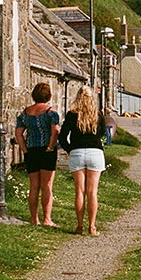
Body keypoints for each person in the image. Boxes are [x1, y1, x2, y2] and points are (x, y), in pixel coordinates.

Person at [59, 86, 107, 236]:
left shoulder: (72, 115)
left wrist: (69, 149)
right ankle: (92, 227)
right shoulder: (98, 115)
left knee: (79, 191)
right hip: (95, 152)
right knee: (92, 192)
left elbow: (62, 136)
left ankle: (79, 226)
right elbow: (103, 133)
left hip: (77, 152)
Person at [14, 82, 60, 227]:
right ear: (48, 95)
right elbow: (56, 131)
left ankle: (34, 219)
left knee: (34, 185)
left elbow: (18, 134)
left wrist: (25, 150)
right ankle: (47, 219)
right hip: (46, 150)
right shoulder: (51, 113)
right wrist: (50, 146)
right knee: (47, 185)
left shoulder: (25, 113)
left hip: (31, 150)